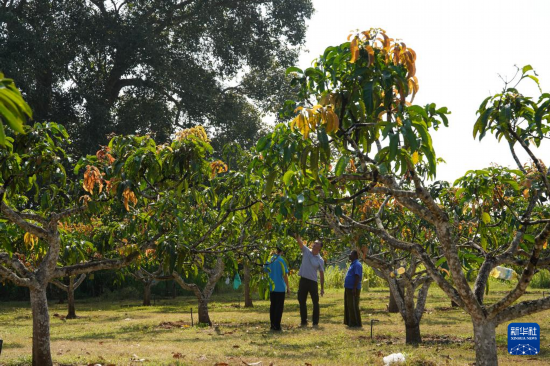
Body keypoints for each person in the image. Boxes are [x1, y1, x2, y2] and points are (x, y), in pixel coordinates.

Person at [294, 235, 325, 326]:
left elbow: (322, 274)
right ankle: (304, 321)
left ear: (319, 248)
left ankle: (315, 322)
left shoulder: (320, 260)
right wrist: (297, 237)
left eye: (316, 244)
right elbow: (300, 243)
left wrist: (322, 288)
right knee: (302, 301)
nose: (314, 245)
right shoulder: (306, 251)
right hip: (303, 280)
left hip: (313, 282)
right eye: (314, 243)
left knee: (315, 302)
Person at [264, 248, 290, 331]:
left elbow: (265, 270)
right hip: (280, 287)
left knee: (273, 306)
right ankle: (277, 326)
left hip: (271, 287)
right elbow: (285, 275)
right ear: (281, 251)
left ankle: (272, 325)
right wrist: (288, 287)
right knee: (279, 307)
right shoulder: (281, 261)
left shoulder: (269, 260)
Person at [344, 249, 362, 327]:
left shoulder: (357, 264)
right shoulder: (352, 264)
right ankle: (350, 322)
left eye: (351, 254)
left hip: (353, 288)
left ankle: (356, 323)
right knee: (349, 305)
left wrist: (354, 288)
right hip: (348, 288)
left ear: (355, 256)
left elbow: (357, 276)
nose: (349, 255)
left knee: (354, 306)